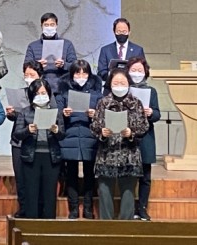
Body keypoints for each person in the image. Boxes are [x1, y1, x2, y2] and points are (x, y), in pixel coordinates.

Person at [90, 68, 149, 220]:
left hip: (129, 155)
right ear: (110, 84)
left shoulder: (136, 103)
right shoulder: (103, 103)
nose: (119, 86)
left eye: (122, 83)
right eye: (116, 83)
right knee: (104, 192)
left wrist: (131, 133)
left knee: (128, 193)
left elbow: (144, 126)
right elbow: (94, 126)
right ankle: (106, 227)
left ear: (128, 83)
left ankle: (125, 227)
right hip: (106, 154)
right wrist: (102, 133)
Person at [56, 59, 102, 219]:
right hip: (70, 136)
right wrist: (63, 114)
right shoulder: (63, 94)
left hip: (90, 136)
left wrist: (95, 115)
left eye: (84, 73)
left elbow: (103, 117)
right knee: (71, 174)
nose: (81, 76)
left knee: (90, 174)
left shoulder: (97, 95)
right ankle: (73, 208)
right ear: (71, 74)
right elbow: (56, 116)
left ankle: (88, 208)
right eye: (77, 73)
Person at [13, 79, 66, 219]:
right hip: (31, 156)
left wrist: (56, 130)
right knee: (31, 192)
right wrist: (27, 130)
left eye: (44, 93)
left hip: (51, 156)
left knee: (49, 193)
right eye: (37, 93)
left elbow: (62, 135)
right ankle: (32, 224)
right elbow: (17, 134)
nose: (41, 96)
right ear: (32, 95)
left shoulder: (56, 112)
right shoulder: (25, 112)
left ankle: (48, 225)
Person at [5, 60, 44, 218]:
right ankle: (23, 208)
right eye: (26, 75)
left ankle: (37, 209)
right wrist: (11, 114)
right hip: (19, 140)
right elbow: (17, 118)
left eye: (32, 74)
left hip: (37, 141)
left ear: (40, 76)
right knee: (20, 177)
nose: (28, 78)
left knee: (35, 178)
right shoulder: (20, 93)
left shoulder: (45, 94)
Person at [127, 57, 161, 221]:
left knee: (145, 176)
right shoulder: (124, 90)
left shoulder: (151, 91)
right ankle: (129, 208)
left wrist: (151, 113)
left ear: (145, 72)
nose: (137, 73)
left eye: (140, 70)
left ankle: (142, 208)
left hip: (146, 137)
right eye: (133, 70)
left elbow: (157, 114)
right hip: (128, 137)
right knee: (129, 175)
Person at [24, 12, 77, 94]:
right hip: (39, 89)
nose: (49, 27)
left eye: (52, 25)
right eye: (46, 25)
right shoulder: (33, 46)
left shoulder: (67, 44)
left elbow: (75, 66)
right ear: (41, 26)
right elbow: (26, 66)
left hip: (62, 88)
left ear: (56, 26)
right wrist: (38, 66)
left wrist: (63, 65)